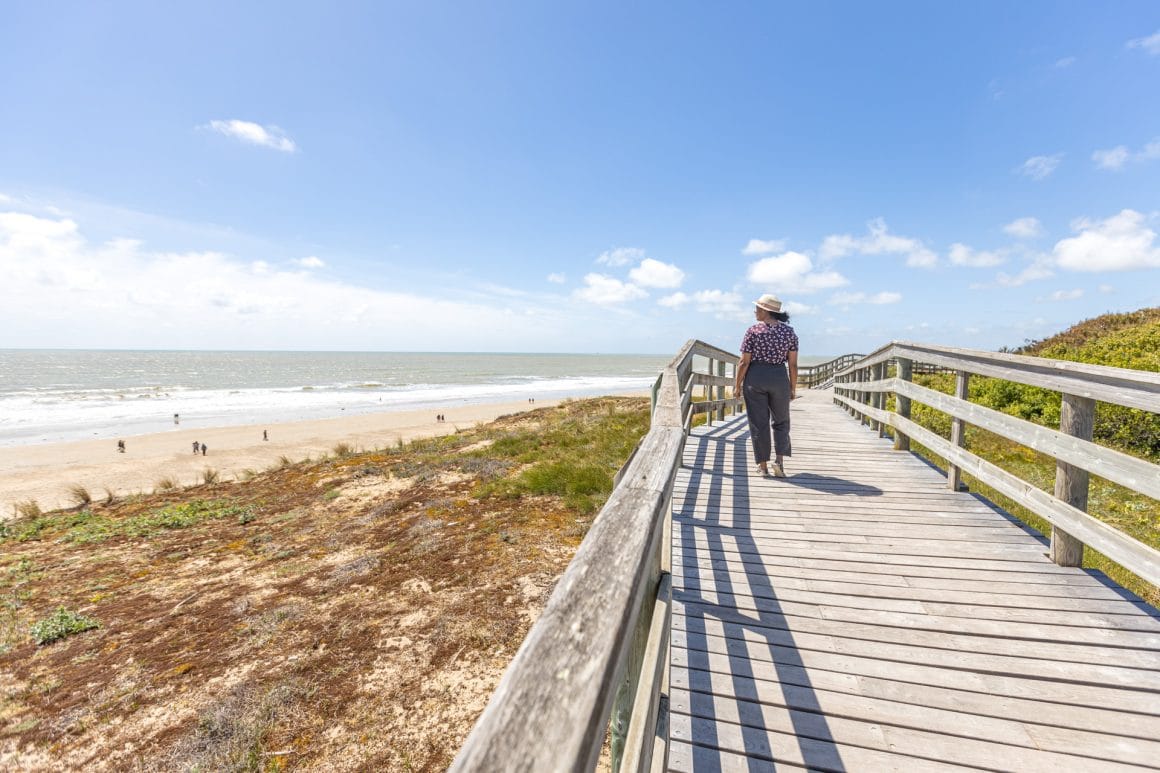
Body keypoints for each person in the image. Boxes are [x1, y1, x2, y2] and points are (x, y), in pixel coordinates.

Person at [733, 294, 799, 478]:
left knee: (759, 423)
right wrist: (793, 387)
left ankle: (762, 467)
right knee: (781, 421)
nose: (755, 311)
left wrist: (737, 385)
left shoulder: (753, 331)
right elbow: (792, 364)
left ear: (765, 311)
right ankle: (779, 462)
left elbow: (744, 362)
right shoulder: (789, 333)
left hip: (755, 378)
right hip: (779, 377)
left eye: (757, 308)